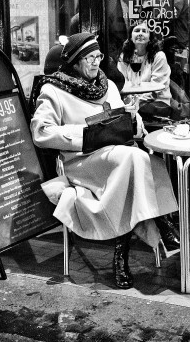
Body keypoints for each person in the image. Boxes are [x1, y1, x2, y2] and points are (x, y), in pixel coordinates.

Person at [30, 32, 179, 289]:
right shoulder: (53, 89)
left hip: (117, 158)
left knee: (136, 160)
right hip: (81, 162)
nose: (95, 62)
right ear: (75, 61)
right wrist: (85, 134)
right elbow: (41, 133)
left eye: (98, 57)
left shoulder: (107, 85)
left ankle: (121, 254)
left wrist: (132, 119)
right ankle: (163, 222)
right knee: (137, 158)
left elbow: (130, 126)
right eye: (89, 58)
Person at [117, 21, 174, 118]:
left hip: (156, 102)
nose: (140, 33)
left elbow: (156, 88)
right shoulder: (125, 56)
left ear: (150, 38)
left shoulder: (159, 56)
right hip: (132, 102)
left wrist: (136, 102)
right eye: (137, 31)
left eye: (144, 31)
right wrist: (130, 101)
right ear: (130, 37)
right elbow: (122, 83)